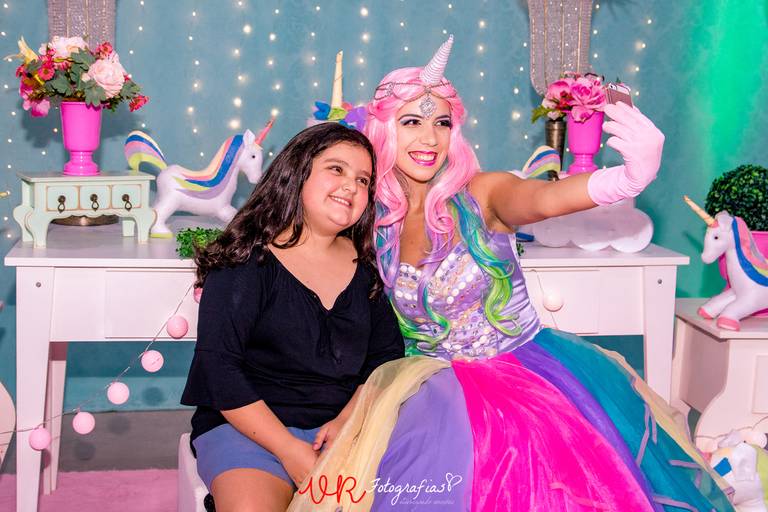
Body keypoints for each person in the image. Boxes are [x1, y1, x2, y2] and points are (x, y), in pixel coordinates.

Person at [289, 37, 735, 512]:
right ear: (383, 129)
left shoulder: (484, 194)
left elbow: (545, 199)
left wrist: (626, 179)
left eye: (442, 123)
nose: (431, 138)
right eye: (412, 121)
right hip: (421, 393)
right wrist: (352, 413)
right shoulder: (372, 220)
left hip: (520, 382)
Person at [180, 122, 405, 512]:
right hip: (249, 429)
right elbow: (220, 370)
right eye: (336, 169)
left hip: (341, 430)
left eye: (363, 180)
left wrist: (347, 422)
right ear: (297, 172)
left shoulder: (365, 269)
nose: (351, 186)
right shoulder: (246, 260)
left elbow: (384, 361)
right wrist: (287, 448)